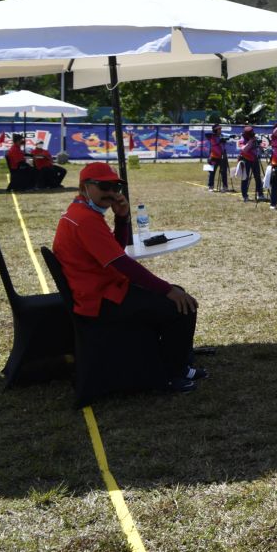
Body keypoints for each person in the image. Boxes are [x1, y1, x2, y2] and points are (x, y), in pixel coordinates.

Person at [51, 162, 204, 393]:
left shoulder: (83, 212)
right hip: (100, 300)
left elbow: (116, 250)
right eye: (104, 186)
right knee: (182, 305)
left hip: (103, 290)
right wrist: (166, 290)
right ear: (85, 187)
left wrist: (121, 218)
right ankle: (172, 373)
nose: (112, 193)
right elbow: (123, 264)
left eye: (115, 187)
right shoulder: (86, 220)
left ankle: (175, 364)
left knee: (177, 295)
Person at [237, 125, 265, 202]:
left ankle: (260, 194)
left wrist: (260, 146)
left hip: (254, 159)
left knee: (258, 177)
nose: (252, 135)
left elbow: (261, 148)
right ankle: (245, 195)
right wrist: (250, 141)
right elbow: (244, 150)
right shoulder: (242, 140)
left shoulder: (254, 138)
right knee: (245, 178)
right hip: (245, 160)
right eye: (250, 134)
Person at [206, 124, 229, 192]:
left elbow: (227, 135)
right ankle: (211, 186)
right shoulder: (212, 136)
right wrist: (218, 139)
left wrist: (229, 136)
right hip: (213, 156)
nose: (220, 130)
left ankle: (225, 187)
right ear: (215, 130)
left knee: (224, 172)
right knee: (212, 172)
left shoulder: (222, 135)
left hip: (222, 156)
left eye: (220, 129)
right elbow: (206, 134)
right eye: (218, 129)